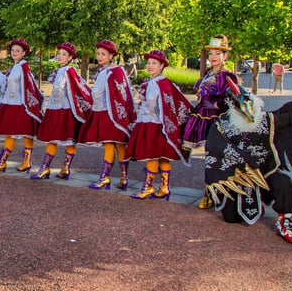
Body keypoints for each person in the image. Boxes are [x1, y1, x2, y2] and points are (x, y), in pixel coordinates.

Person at [125, 50, 192, 200]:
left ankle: (149, 187)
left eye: (154, 63)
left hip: (154, 124)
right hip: (157, 124)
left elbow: (155, 105)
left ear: (162, 65)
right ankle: (164, 187)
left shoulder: (158, 83)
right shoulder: (159, 82)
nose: (149, 66)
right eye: (148, 62)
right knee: (162, 157)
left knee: (152, 156)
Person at [180, 35, 238, 208]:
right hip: (203, 118)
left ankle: (216, 193)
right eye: (211, 53)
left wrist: (211, 103)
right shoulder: (208, 74)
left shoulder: (227, 76)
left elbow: (229, 100)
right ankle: (210, 192)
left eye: (218, 53)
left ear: (225, 56)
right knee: (209, 158)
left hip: (217, 121)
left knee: (216, 157)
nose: (213, 57)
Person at [78, 39, 136, 190]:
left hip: (113, 115)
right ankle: (111, 177)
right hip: (103, 113)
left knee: (116, 144)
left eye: (103, 54)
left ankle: (117, 177)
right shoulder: (103, 72)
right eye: (98, 54)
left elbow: (122, 94)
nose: (99, 56)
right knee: (110, 144)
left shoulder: (116, 71)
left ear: (111, 55)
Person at [30, 42, 92, 180]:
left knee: (68, 140)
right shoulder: (59, 71)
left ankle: (65, 168)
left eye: (64, 54)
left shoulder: (70, 71)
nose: (60, 56)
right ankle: (45, 168)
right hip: (54, 108)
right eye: (59, 54)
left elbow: (78, 88)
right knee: (51, 139)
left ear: (70, 57)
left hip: (65, 110)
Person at [0, 39, 43, 174]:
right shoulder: (18, 66)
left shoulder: (23, 66)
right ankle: (10, 162)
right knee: (15, 133)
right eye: (13, 50)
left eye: (18, 51)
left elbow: (27, 85)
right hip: (12, 103)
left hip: (20, 105)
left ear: (24, 53)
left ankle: (13, 162)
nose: (14, 52)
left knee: (23, 133)